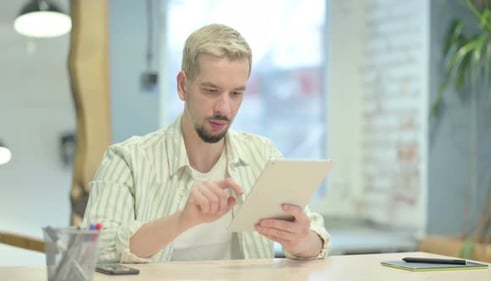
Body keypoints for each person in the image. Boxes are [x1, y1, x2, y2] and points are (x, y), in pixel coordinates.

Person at [82, 23, 330, 263]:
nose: (224, 108)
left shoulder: (263, 155)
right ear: (182, 86)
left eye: (236, 93)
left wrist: (303, 242)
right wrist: (182, 220)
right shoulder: (127, 160)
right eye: (211, 91)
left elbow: (314, 235)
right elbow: (96, 250)